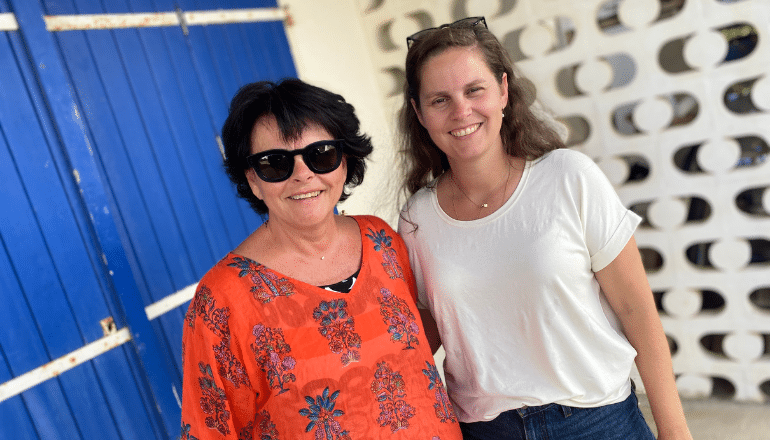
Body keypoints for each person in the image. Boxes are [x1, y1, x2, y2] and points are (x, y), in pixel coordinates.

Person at [397, 17, 693, 440]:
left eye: (474, 90)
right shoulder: (416, 220)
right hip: (485, 430)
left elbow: (636, 311)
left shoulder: (569, 178)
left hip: (599, 422)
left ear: (502, 90)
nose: (461, 111)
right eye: (439, 99)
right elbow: (421, 338)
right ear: (419, 113)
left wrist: (675, 428)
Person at [180, 78, 462, 439]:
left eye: (321, 154)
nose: (303, 175)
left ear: (345, 161)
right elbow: (210, 430)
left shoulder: (382, 241)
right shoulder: (221, 300)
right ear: (252, 179)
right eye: (275, 163)